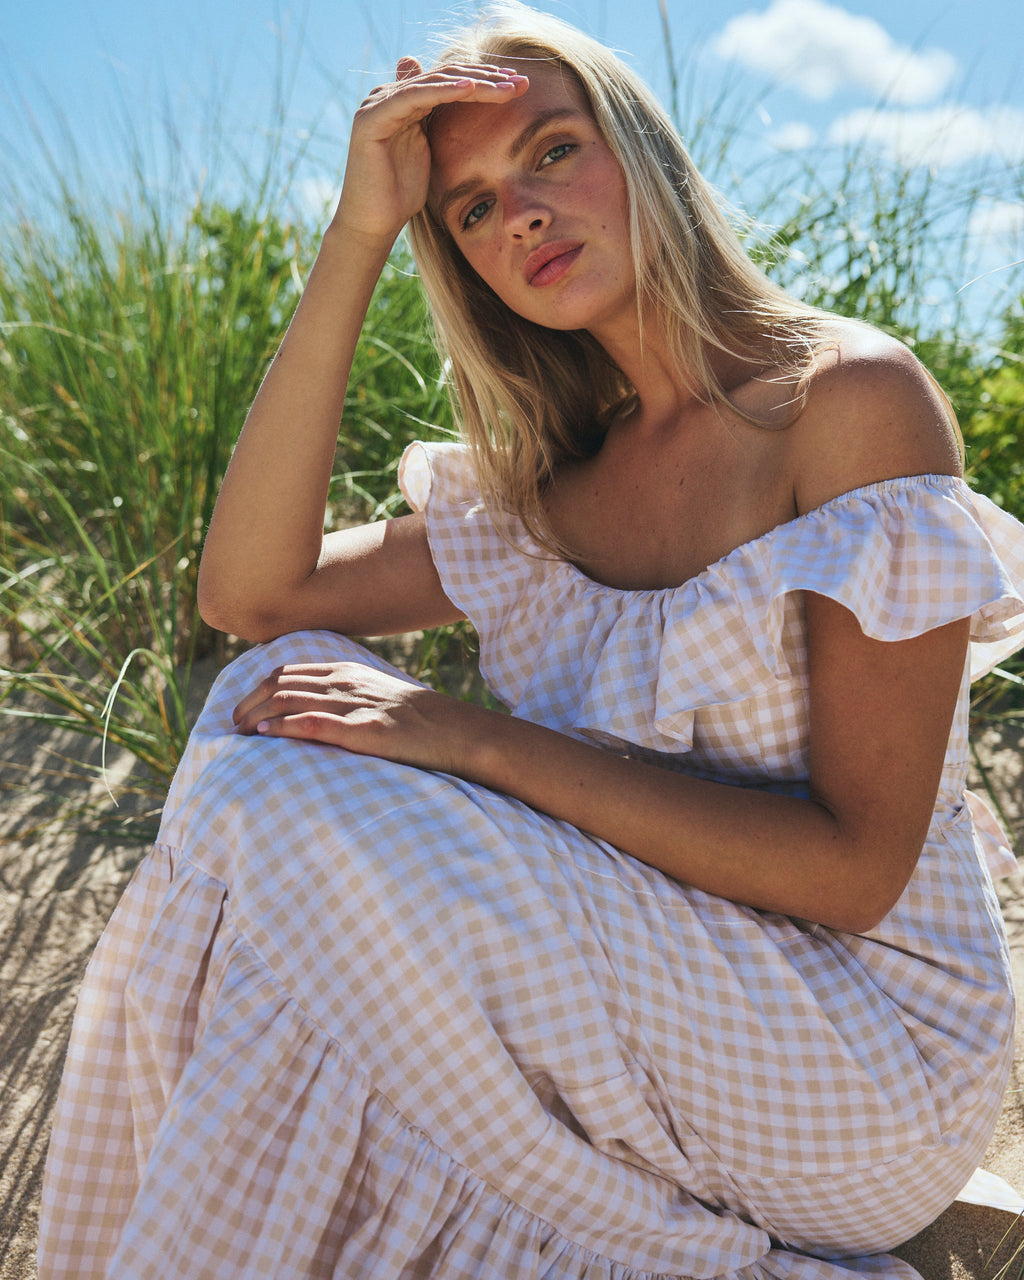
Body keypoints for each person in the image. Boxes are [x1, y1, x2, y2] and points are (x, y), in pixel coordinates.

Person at [39, 4, 1024, 1278]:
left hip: (865, 1059)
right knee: (259, 705)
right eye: (470, 208)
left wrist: (465, 740)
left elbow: (854, 870)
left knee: (282, 784)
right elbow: (254, 591)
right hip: (664, 1027)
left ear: (642, 153)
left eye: (552, 152)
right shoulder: (550, 494)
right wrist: (358, 233)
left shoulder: (843, 403)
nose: (520, 215)